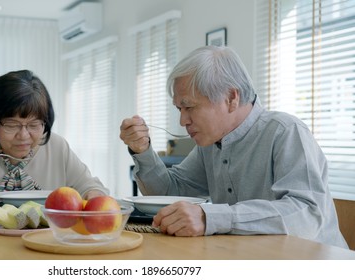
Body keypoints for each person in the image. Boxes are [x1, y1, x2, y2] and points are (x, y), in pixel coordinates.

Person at [119, 46, 348, 248]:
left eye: (189, 107)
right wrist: (143, 151)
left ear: (231, 97)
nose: (183, 121)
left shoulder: (286, 131)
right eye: (180, 109)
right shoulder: (210, 144)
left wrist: (211, 217)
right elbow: (168, 193)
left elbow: (307, 215)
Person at [0, 70, 108, 210]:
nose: (24, 136)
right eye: (11, 125)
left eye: (34, 125)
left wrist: (93, 197)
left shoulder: (56, 146)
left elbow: (90, 188)